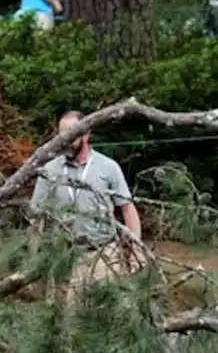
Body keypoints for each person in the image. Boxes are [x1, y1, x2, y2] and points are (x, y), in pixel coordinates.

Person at [30, 111, 145, 292]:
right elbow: (36, 215)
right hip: (62, 256)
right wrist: (33, 257)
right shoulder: (49, 170)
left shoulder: (108, 167)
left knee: (104, 313)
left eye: (71, 133)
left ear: (86, 133)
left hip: (103, 254)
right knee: (65, 316)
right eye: (61, 134)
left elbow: (128, 210)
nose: (65, 139)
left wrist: (136, 250)